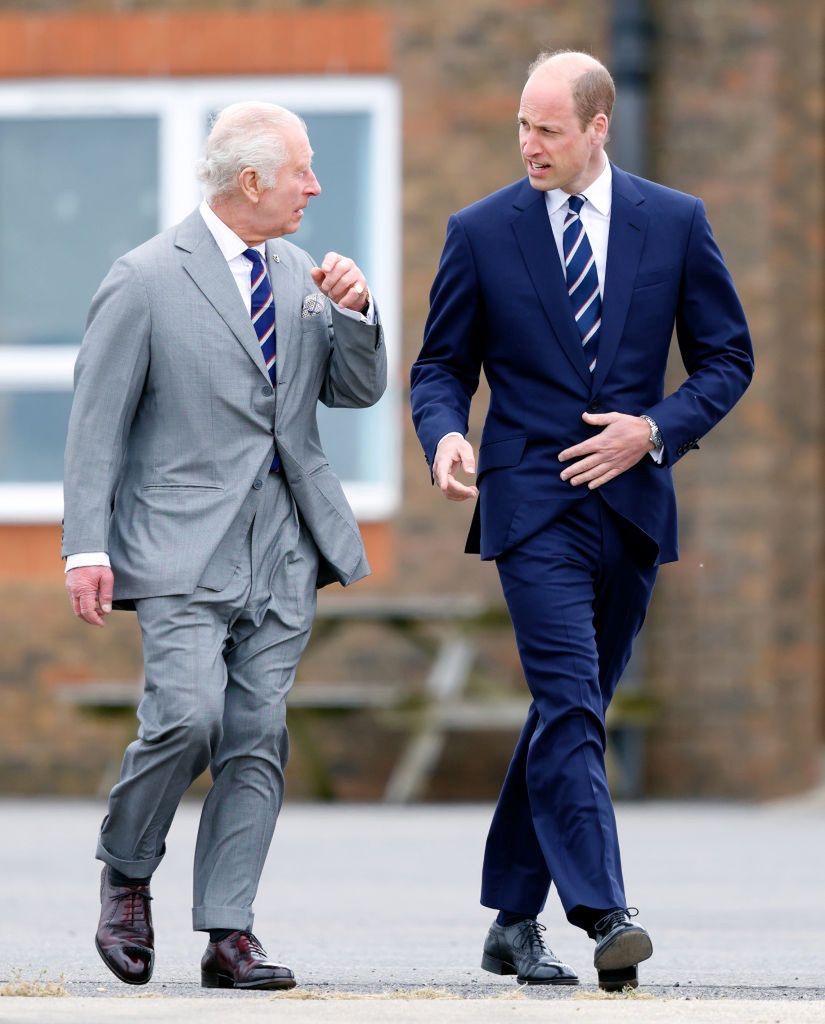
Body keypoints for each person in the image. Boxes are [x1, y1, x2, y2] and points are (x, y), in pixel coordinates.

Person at [410, 51, 753, 990]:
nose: (529, 144)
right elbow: (440, 367)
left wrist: (654, 431)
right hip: (527, 503)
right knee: (567, 700)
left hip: (633, 505)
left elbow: (726, 357)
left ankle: (510, 920)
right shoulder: (480, 231)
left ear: (598, 127)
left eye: (548, 129)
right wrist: (443, 437)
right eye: (522, 126)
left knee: (573, 709)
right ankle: (604, 910)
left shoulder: (674, 222)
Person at [63, 101, 386, 990]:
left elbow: (354, 394)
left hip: (286, 546)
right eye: (302, 172)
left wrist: (355, 314)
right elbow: (95, 424)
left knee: (255, 733)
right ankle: (127, 872)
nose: (315, 187)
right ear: (251, 181)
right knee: (187, 715)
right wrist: (84, 545)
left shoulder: (300, 272)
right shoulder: (143, 278)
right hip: (178, 547)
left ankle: (228, 933)